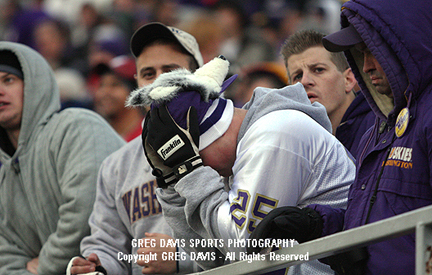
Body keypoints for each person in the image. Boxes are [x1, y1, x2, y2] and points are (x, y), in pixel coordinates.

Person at [129, 53, 356, 274]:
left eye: (197, 158)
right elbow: (218, 261)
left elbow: (243, 250)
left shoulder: (273, 135)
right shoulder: (246, 145)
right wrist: (172, 186)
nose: (204, 168)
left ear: (214, 134)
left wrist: (191, 173)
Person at [250, 0, 432, 274]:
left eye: (374, 52)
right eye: (360, 55)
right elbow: (370, 220)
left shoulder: (423, 118)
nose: (368, 66)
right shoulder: (379, 131)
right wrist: (315, 223)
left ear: (405, 44)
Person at [68, 22, 203, 275]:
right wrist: (99, 266)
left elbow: (253, 242)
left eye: (170, 70)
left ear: (198, 76)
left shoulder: (229, 144)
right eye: (148, 74)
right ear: (138, 83)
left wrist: (180, 258)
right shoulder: (116, 165)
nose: (158, 82)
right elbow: (108, 243)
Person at [0, 41, 125, 274]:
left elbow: (86, 211)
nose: (0, 90)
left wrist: (45, 266)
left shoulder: (76, 126)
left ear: (33, 85)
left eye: (9, 80)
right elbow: (4, 252)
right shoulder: (4, 176)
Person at [280, 29, 375, 159]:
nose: (305, 81)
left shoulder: (379, 128)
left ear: (348, 80)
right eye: (297, 76)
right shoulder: (291, 141)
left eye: (318, 70)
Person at [92, 55, 144, 142]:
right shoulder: (98, 138)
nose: (103, 92)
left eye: (114, 85)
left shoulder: (148, 135)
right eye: (101, 85)